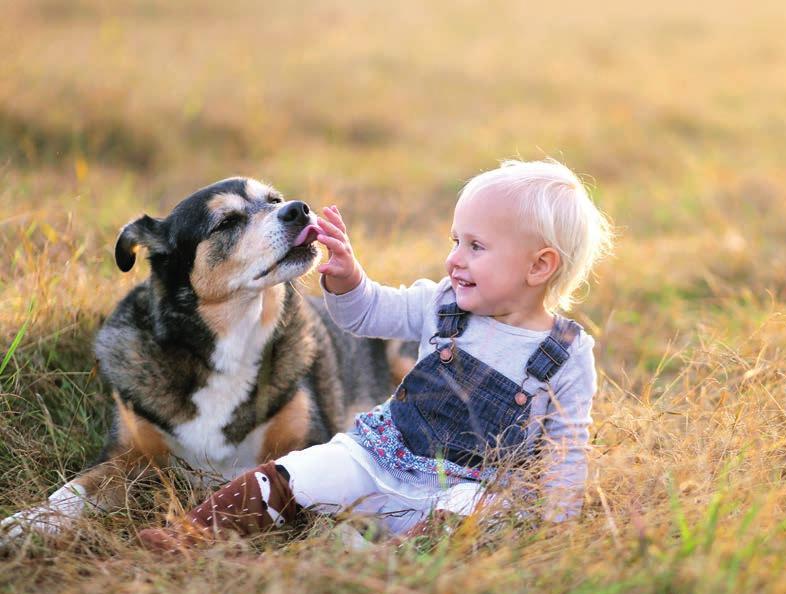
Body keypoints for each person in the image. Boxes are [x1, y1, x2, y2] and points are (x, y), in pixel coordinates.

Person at [137, 158, 613, 552]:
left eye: (476, 247)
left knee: (478, 517)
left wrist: (557, 523)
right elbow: (368, 315)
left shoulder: (565, 355)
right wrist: (348, 280)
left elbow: (567, 448)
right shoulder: (441, 304)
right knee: (294, 474)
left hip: (463, 486)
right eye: (455, 242)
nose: (454, 259)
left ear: (539, 265)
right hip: (379, 456)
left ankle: (392, 560)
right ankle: (190, 536)